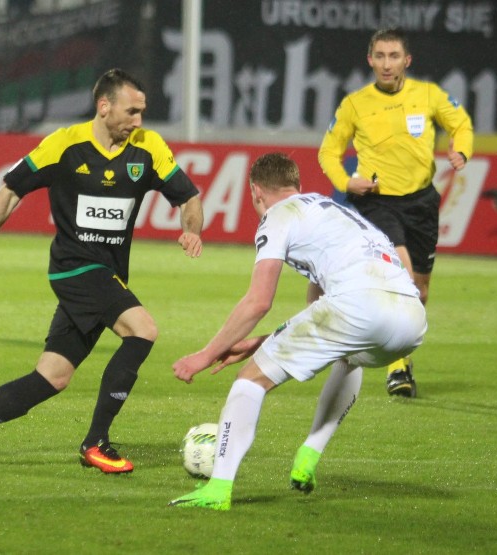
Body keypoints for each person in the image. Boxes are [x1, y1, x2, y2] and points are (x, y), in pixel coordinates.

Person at [0, 69, 204, 472]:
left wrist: (191, 230)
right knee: (143, 331)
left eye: (142, 112)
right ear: (104, 107)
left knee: (51, 377)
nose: (139, 120)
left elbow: (189, 197)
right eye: (132, 111)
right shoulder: (64, 145)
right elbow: (10, 191)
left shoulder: (149, 147)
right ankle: (96, 443)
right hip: (74, 268)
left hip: (109, 275)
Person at [168, 152, 426, 510]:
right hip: (411, 319)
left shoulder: (278, 216)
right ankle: (309, 456)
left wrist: (204, 355)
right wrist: (262, 342)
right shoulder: (335, 212)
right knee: (348, 356)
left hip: (358, 306)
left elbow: (259, 302)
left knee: (249, 380)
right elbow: (318, 322)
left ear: (255, 192)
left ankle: (218, 489)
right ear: (298, 186)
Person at [318, 28, 472, 397]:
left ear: (407, 60)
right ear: (370, 60)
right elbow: (328, 151)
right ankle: (396, 367)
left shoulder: (429, 95)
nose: (387, 64)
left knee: (419, 290)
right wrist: (346, 181)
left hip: (420, 202)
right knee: (399, 273)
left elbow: (460, 124)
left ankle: (401, 354)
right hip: (376, 201)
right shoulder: (355, 104)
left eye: (394, 56)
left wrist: (462, 151)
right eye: (380, 56)